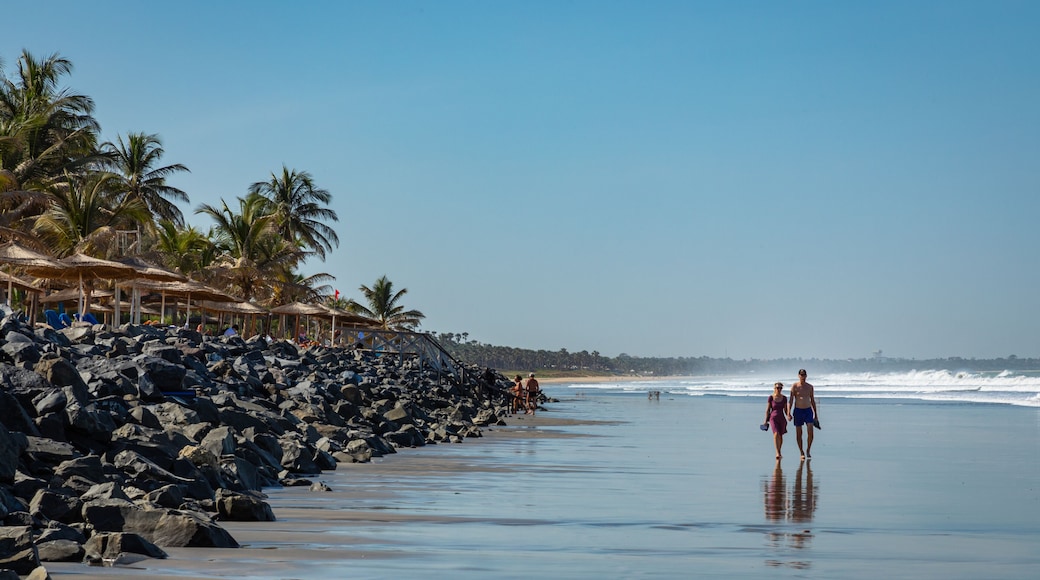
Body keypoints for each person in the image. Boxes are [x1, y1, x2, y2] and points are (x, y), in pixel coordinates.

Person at [788, 369, 819, 460]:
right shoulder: (795, 386)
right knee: (799, 433)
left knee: (810, 432)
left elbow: (812, 400)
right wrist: (788, 412)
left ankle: (808, 449)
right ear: (798, 376)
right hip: (798, 411)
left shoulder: (810, 387)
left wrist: (816, 414)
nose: (803, 376)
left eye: (804, 375)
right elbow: (790, 400)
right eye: (801, 375)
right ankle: (801, 452)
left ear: (806, 376)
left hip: (808, 411)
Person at [764, 382, 791, 459]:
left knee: (781, 436)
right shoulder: (771, 398)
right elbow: (768, 410)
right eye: (777, 388)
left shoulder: (784, 398)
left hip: (782, 418)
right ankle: (777, 452)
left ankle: (779, 450)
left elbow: (785, 410)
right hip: (773, 418)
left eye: (780, 388)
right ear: (774, 388)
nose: (779, 389)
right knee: (776, 434)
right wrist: (765, 421)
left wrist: (788, 415)